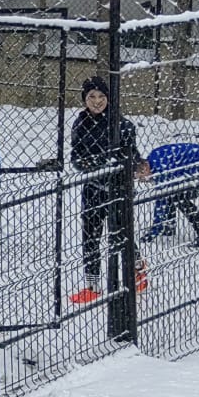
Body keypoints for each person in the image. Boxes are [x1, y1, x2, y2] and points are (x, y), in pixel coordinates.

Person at [69, 75, 142, 305]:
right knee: (90, 235)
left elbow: (128, 154)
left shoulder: (121, 124)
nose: (97, 101)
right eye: (92, 96)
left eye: (102, 96)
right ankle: (92, 284)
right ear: (85, 99)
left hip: (118, 188)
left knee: (121, 232)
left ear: (109, 99)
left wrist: (108, 163)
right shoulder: (80, 123)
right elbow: (76, 157)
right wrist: (93, 163)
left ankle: (137, 270)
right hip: (92, 188)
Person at [141, 140, 199, 247]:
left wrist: (154, 232)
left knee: (180, 199)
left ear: (144, 168)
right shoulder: (154, 159)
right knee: (172, 194)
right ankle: (169, 227)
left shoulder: (160, 170)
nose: (143, 181)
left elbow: (161, 201)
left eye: (141, 177)